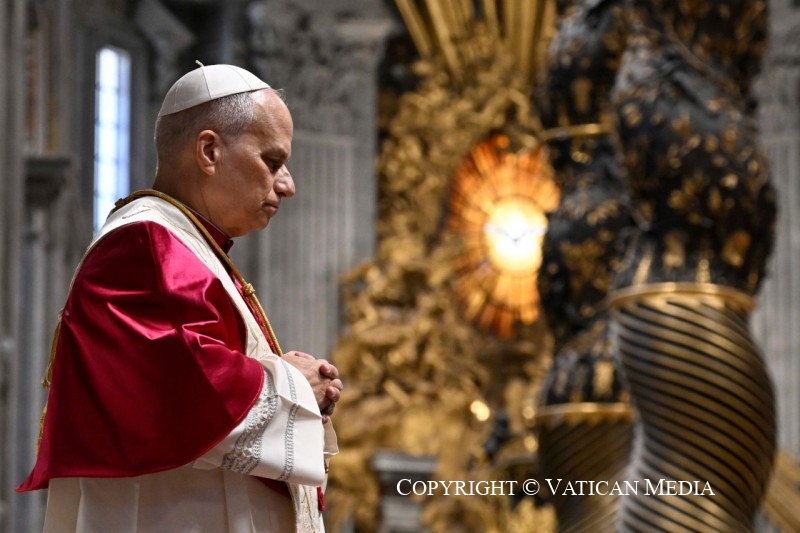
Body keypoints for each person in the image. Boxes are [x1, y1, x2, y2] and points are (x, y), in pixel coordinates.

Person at [17, 63, 341, 533]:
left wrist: (296, 384)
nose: (287, 185)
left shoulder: (190, 246)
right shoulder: (146, 244)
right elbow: (186, 392)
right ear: (209, 150)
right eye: (272, 162)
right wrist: (293, 386)